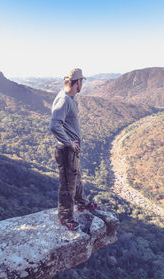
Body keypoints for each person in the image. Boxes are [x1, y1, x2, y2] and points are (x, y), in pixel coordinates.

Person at [49, 68, 97, 231]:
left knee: (75, 178)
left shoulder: (68, 98)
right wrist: (69, 143)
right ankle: (65, 218)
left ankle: (82, 203)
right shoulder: (64, 100)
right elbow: (54, 125)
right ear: (78, 82)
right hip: (67, 150)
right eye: (81, 82)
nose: (81, 85)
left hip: (71, 151)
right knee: (67, 184)